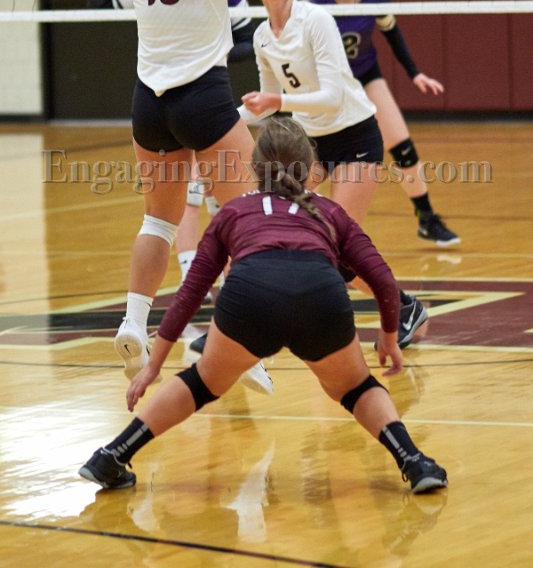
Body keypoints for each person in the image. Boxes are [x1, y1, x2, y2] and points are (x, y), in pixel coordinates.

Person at [79, 117, 448, 495]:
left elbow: (190, 293)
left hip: (250, 298)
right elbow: (382, 281)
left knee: (201, 382)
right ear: (311, 168)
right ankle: (415, 462)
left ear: (254, 168)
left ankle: (111, 456)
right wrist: (389, 338)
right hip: (319, 297)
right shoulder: (330, 212)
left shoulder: (234, 211)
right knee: (357, 388)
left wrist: (153, 366)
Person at [112, 0, 278, 384]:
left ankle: (133, 323)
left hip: (149, 105)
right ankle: (243, 343)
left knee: (157, 223)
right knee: (248, 218)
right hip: (201, 99)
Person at [238, 0, 428, 348]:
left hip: (354, 134)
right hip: (310, 143)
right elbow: (266, 103)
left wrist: (277, 101)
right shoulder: (261, 36)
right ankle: (282, 311)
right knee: (282, 224)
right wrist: (220, 123)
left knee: (336, 245)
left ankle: (403, 306)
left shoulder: (316, 19)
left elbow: (331, 98)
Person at [307, 0, 460, 247]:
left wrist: (415, 73)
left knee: (402, 146)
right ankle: (303, 223)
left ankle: (427, 218)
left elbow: (393, 34)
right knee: (314, 157)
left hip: (366, 74)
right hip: (330, 82)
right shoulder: (316, 1)